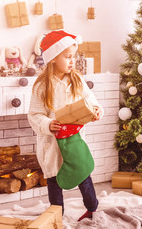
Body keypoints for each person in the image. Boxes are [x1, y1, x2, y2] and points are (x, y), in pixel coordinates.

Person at [27, 30, 103, 221]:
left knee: (83, 173)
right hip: (52, 143)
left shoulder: (77, 79)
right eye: (68, 57)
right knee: (54, 180)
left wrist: (96, 110)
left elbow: (91, 100)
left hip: (75, 139)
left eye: (73, 57)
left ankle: (93, 209)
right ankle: (56, 216)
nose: (72, 61)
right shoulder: (41, 85)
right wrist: (47, 124)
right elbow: (34, 115)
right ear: (53, 58)